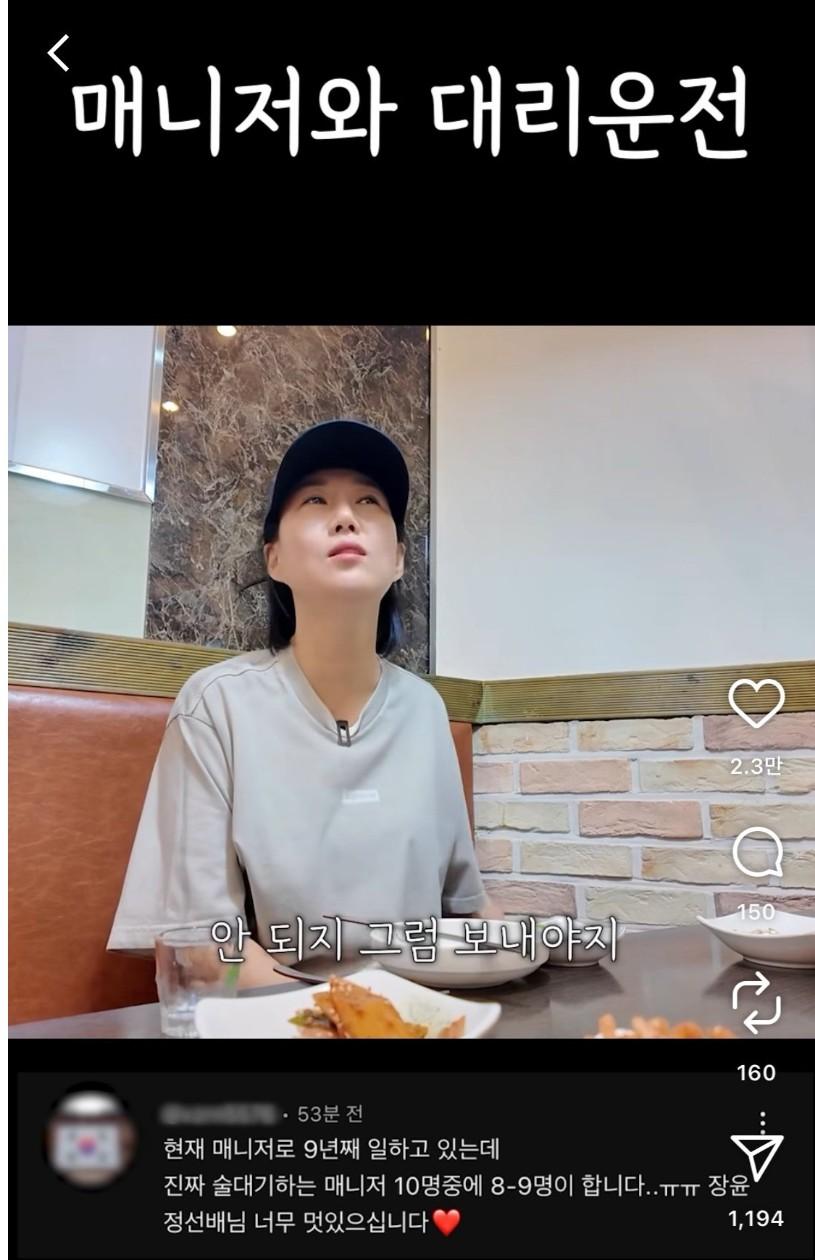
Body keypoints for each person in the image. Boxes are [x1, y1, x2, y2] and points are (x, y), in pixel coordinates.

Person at [107, 418, 501, 988]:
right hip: (288, 1014)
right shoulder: (216, 705)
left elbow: (467, 910)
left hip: (430, 1008)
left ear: (398, 559)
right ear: (274, 559)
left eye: (369, 501)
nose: (345, 516)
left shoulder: (425, 710)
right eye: (315, 500)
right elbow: (199, 943)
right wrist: (345, 1017)